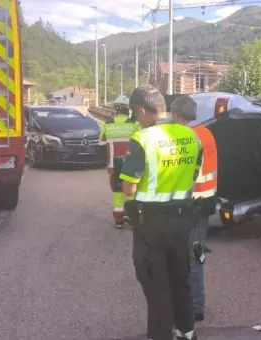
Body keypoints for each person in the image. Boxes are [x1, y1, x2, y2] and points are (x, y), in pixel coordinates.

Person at [119, 85, 201, 340]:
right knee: (180, 280)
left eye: (136, 114)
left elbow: (129, 188)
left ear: (142, 110)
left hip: (150, 224)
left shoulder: (142, 139)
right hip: (182, 220)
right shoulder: (191, 137)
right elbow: (194, 175)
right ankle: (187, 333)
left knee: (157, 288)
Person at [170, 96, 217, 323]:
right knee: (197, 254)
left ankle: (194, 306)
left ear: (177, 115)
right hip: (206, 201)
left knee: (186, 257)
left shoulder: (183, 137)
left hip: (188, 205)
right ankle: (196, 306)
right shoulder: (207, 133)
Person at [101, 96, 141, 228]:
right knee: (131, 191)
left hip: (113, 166)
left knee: (117, 192)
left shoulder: (107, 126)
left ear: (115, 109)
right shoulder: (135, 126)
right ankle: (131, 217)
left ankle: (119, 220)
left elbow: (101, 144)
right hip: (131, 164)